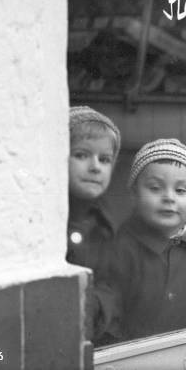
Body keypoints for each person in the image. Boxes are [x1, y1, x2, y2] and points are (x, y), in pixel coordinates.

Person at [105, 138, 186, 339]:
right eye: (155, 188)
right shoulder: (120, 249)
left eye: (180, 190)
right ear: (134, 195)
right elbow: (110, 320)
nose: (169, 197)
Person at [67, 105, 121, 343]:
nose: (95, 166)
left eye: (105, 159)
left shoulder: (106, 223)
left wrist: (99, 306)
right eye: (81, 155)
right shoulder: (49, 222)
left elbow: (111, 282)